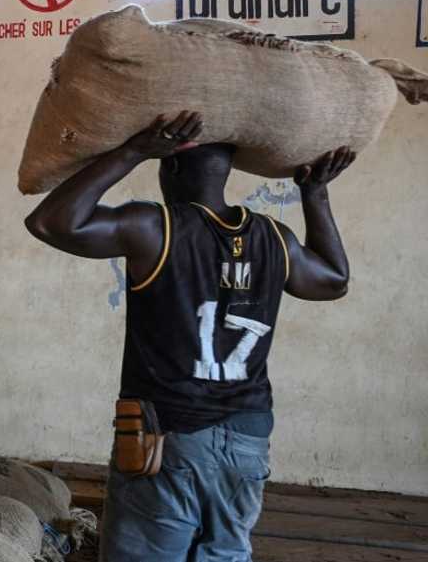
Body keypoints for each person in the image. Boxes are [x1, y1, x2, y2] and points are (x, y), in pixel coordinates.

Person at [24, 111, 356, 561]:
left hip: (167, 439)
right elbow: (334, 279)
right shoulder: (273, 237)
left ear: (171, 166)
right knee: (225, 553)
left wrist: (133, 151)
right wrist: (314, 193)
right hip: (248, 439)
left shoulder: (155, 227)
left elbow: (50, 222)